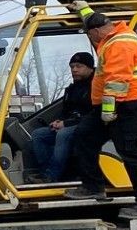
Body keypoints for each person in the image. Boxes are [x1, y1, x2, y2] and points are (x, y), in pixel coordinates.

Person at [67, 9, 137, 218]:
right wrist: (84, 10)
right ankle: (93, 186)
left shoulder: (120, 44)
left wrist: (109, 111)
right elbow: (93, 19)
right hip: (115, 104)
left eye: (90, 35)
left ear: (96, 31)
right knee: (84, 135)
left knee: (133, 155)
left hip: (128, 105)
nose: (91, 39)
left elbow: (117, 81)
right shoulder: (110, 37)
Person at [28, 52, 95, 182]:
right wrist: (59, 121)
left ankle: (52, 176)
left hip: (89, 125)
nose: (74, 70)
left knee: (63, 134)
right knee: (38, 135)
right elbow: (66, 111)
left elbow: (92, 114)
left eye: (79, 66)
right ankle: (45, 173)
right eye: (72, 66)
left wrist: (65, 124)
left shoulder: (96, 86)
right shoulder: (72, 89)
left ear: (90, 68)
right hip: (71, 123)